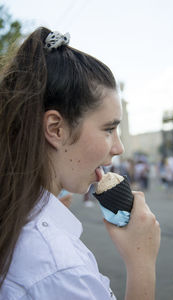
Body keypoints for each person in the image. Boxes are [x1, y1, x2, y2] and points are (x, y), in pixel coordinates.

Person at [0, 27, 160, 299]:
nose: (118, 148)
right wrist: (142, 263)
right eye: (108, 129)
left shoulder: (17, 218)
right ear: (56, 129)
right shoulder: (60, 271)